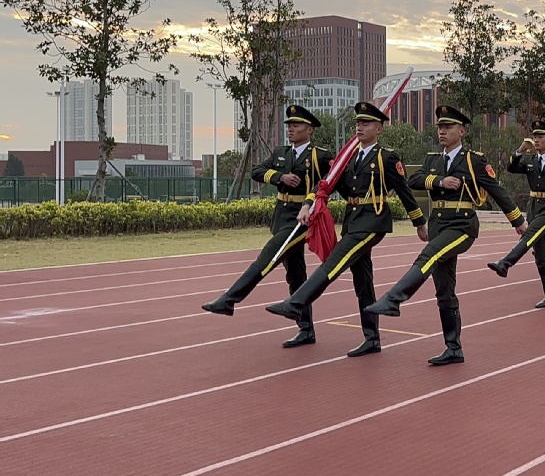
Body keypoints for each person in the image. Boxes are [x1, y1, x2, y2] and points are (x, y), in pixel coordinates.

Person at [264, 102, 428, 357]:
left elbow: (404, 191)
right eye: (358, 124)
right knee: (362, 281)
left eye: (366, 124)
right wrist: (315, 199)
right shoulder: (348, 158)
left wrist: (419, 222)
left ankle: (296, 303)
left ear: (379, 129)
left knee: (335, 261)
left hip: (373, 221)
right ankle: (372, 338)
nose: (360, 127)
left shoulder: (386, 157)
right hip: (353, 219)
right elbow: (335, 186)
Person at [365, 105, 526, 365]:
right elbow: (414, 180)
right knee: (444, 289)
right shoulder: (432, 159)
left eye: (448, 127)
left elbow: (496, 190)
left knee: (428, 254)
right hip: (438, 226)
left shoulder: (474, 160)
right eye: (440, 127)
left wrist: (516, 220)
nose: (442, 131)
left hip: (462, 226)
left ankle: (394, 299)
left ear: (461, 131)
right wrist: (440, 181)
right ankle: (453, 348)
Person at [202, 105, 334, 348]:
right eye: (289, 125)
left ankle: (229, 300)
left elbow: (330, 181)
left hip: (301, 218)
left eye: (296, 125)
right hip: (281, 214)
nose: (291, 129)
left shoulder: (320, 156)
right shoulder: (281, 153)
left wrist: (310, 201)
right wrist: (279, 177)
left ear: (310, 129)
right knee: (295, 274)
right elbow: (257, 171)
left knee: (267, 258)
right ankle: (306, 329)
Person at [487, 120, 545, 308]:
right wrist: (519, 151)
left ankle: (506, 263)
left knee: (530, 233)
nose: (536, 140)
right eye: (534, 136)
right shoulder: (530, 159)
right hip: (533, 206)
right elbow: (511, 168)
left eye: (540, 137)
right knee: (541, 255)